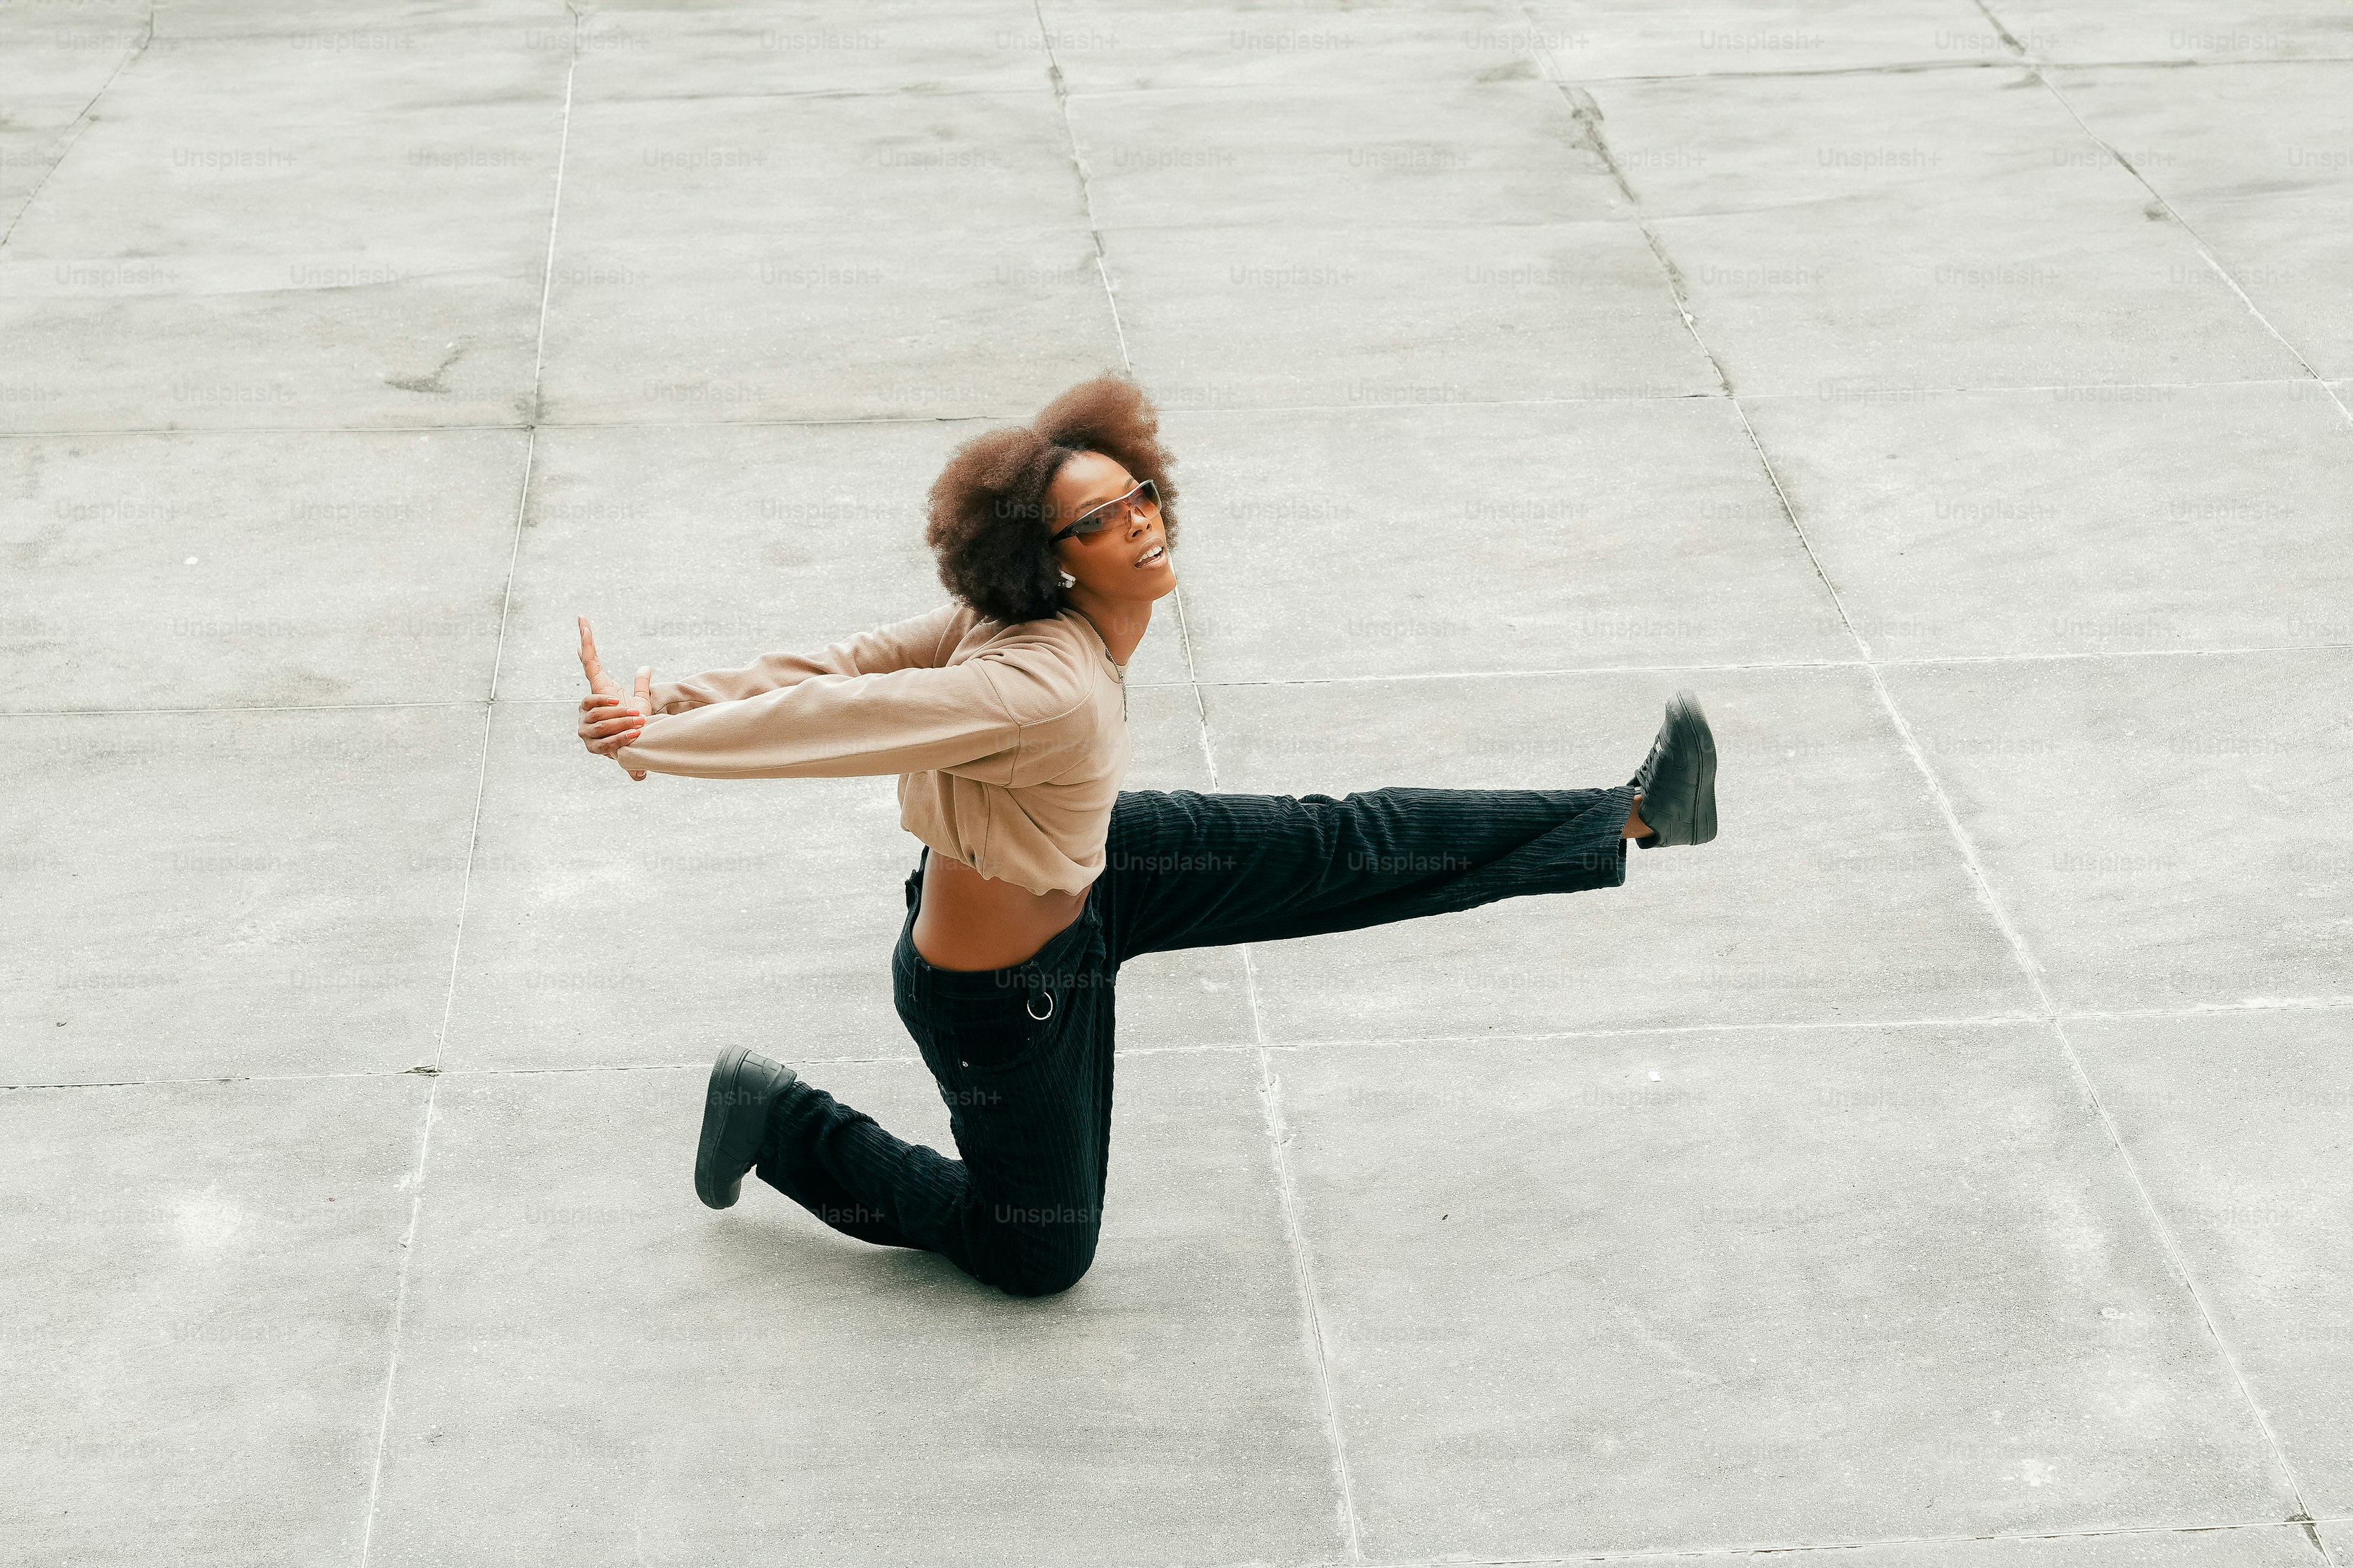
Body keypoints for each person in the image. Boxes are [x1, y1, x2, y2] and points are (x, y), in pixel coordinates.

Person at [574, 373, 1719, 1299]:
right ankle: (779, 1119)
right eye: (1098, 521)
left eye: (1139, 499)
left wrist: (667, 700)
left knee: (1347, 844)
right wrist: (658, 741)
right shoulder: (1041, 680)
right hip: (1005, 993)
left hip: (1104, 874)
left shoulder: (1045, 616)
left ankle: (1635, 811)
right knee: (1035, 1255)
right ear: (1053, 553)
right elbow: (855, 712)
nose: (1137, 527)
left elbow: (850, 659)